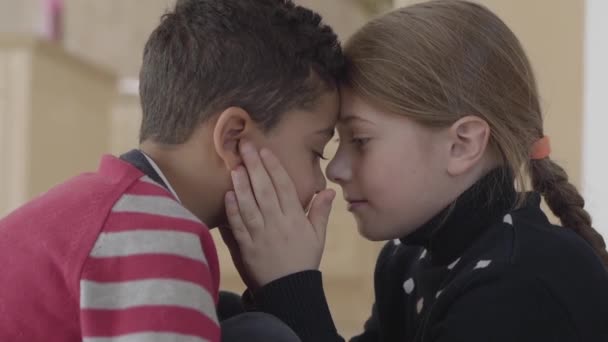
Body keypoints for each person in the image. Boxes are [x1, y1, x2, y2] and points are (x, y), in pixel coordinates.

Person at [223, 1, 608, 341]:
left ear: (462, 145)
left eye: (359, 139)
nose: (336, 169)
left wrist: (293, 288)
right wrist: (272, 288)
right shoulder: (407, 260)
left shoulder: (519, 283)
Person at [0, 0, 343, 341]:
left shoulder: (110, 208)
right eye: (316, 153)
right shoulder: (155, 233)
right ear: (234, 138)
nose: (318, 182)